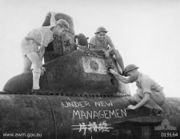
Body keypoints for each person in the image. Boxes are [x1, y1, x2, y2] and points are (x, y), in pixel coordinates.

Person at [21, 12, 69, 91]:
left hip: (26, 41)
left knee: (26, 69)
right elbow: (42, 51)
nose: (64, 33)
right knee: (38, 64)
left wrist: (52, 14)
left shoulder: (53, 26)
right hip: (29, 43)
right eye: (63, 31)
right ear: (58, 27)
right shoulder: (49, 34)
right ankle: (36, 88)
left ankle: (23, 88)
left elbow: (53, 21)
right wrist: (40, 66)